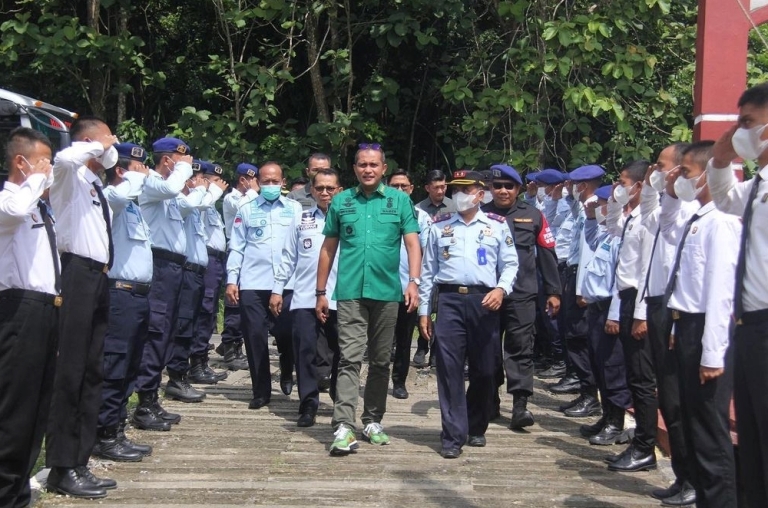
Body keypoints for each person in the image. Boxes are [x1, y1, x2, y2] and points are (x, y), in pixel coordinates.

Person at [316, 143, 420, 456]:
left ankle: (373, 419)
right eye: (362, 164)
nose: (368, 170)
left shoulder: (400, 201)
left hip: (388, 293)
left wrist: (413, 282)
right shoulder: (342, 201)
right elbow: (327, 249)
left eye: (374, 164)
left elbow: (413, 245)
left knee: (379, 359)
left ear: (384, 168)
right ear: (355, 168)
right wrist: (320, 292)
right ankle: (344, 425)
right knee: (348, 356)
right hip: (349, 292)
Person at [419, 170, 518, 457]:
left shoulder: (496, 225)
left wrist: (501, 289)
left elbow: (510, 264)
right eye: (456, 190)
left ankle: (476, 425)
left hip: (484, 302)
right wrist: (425, 311)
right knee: (448, 370)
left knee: (485, 370)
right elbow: (428, 273)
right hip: (449, 301)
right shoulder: (439, 226)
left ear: (481, 193)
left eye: (467, 189)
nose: (460, 195)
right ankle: (452, 435)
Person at [661, 141, 738, 507]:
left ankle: (720, 500)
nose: (681, 180)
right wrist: (677, 329)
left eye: (687, 174)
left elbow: (719, 291)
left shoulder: (721, 222)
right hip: (688, 326)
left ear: (708, 175)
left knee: (709, 427)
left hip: (707, 330)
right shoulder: (697, 219)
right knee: (692, 420)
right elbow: (686, 283)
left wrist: (712, 352)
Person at [46, 116, 118, 498]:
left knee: (92, 370)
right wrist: (97, 143)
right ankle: (60, 465)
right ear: (90, 142)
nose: (115, 145)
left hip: (98, 277)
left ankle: (80, 460)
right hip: (75, 274)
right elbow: (63, 159)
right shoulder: (69, 178)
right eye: (110, 138)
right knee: (70, 370)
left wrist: (102, 148)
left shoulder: (94, 185)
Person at [706, 81, 768, 508]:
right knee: (753, 437)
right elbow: (726, 197)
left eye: (748, 122)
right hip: (750, 329)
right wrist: (722, 157)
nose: (738, 130)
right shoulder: (759, 185)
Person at [0, 128, 58, 507]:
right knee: (14, 409)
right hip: (18, 309)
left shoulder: (39, 204)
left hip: (45, 309)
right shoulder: (9, 198)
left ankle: (19, 490)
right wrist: (36, 178)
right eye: (44, 162)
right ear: (21, 162)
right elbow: (14, 211)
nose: (50, 171)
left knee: (37, 409)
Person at [480, 164, 560, 430]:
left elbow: (547, 254)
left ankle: (520, 406)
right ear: (490, 189)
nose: (503, 191)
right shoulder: (480, 215)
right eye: (497, 186)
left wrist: (553, 291)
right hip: (488, 294)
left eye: (509, 186)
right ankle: (488, 400)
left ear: (518, 189)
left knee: (521, 348)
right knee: (487, 349)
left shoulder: (534, 215)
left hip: (522, 294)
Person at [639, 143, 697, 505]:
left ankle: (694, 479)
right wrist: (649, 184)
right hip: (658, 304)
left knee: (681, 402)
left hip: (678, 308)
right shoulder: (666, 209)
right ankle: (682, 475)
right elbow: (649, 212)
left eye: (663, 166)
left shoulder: (690, 211)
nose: (657, 171)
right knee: (670, 400)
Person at [92, 142, 156, 464]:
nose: (146, 173)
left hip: (137, 296)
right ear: (121, 170)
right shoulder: (111, 198)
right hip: (119, 292)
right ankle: (104, 434)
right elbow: (116, 195)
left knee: (130, 366)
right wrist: (133, 178)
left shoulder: (133, 207)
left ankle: (116, 429)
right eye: (139, 168)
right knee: (114, 367)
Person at [226, 162, 302, 409]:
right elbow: (237, 246)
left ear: (283, 182)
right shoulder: (246, 209)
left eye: (275, 181)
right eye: (265, 181)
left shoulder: (295, 208)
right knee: (255, 336)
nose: (270, 185)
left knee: (287, 332)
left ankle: (287, 366)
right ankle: (260, 390)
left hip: (288, 283)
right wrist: (231, 280)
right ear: (258, 182)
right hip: (253, 282)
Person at [271, 168, 342, 427]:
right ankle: (308, 403)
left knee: (342, 351)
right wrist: (278, 289)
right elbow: (288, 257)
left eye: (330, 188)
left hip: (340, 296)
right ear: (311, 190)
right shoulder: (300, 220)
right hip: (304, 296)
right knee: (305, 352)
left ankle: (339, 397)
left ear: (339, 190)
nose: (325, 193)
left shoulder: (349, 221)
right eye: (320, 188)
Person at [132, 137, 193, 431]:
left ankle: (152, 398)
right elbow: (171, 188)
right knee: (156, 330)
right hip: (158, 263)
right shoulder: (151, 182)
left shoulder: (168, 189)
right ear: (167, 160)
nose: (187, 166)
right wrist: (182, 171)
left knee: (168, 331)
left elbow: (187, 203)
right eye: (181, 160)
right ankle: (144, 403)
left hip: (174, 266)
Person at [604, 160, 658, 473]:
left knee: (641, 379)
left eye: (624, 183)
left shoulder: (650, 219)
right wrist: (614, 201)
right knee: (632, 374)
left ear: (639, 186)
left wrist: (640, 313)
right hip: (625, 298)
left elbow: (647, 270)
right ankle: (640, 442)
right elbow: (612, 228)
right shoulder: (632, 217)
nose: (620, 186)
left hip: (639, 301)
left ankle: (644, 446)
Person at [164, 161, 226, 395]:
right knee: (184, 323)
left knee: (198, 320)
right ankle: (178, 375)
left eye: (203, 179)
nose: (201, 183)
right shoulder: (182, 202)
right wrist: (203, 191)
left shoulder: (197, 202)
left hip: (199, 270)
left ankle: (190, 368)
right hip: (187, 270)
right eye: (197, 178)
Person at [579, 185, 632, 446]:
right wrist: (590, 217)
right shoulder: (609, 235)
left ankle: (616, 422)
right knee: (599, 365)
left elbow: (620, 282)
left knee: (613, 368)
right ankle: (606, 415)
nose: (604, 207)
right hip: (595, 309)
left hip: (610, 310)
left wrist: (615, 315)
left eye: (608, 204)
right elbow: (590, 241)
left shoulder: (624, 238)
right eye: (603, 204)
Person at [555, 165, 604, 416]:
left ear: (583, 186)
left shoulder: (593, 209)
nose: (570, 188)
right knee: (571, 332)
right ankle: (586, 390)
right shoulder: (583, 207)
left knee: (578, 336)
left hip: (581, 279)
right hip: (573, 275)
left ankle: (590, 393)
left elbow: (589, 251)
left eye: (573, 185)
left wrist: (583, 287)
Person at [387, 170, 432, 399]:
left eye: (404, 186)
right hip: (382, 286)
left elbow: (425, 253)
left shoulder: (421, 216)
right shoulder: (380, 211)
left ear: (412, 189)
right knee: (379, 339)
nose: (399, 190)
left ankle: (399, 381)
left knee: (404, 338)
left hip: (408, 286)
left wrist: (418, 284)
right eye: (394, 186)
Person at [190, 162, 230, 382]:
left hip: (215, 261)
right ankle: (196, 361)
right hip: (205, 259)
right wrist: (209, 192)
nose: (219, 186)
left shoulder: (210, 205)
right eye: (213, 181)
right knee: (203, 311)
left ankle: (201, 359)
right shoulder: (201, 202)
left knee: (210, 312)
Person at [217, 163, 259, 371]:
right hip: (235, 251)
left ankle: (235, 343)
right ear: (244, 180)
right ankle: (230, 346)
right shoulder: (232, 198)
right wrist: (253, 192)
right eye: (254, 180)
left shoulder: (247, 197)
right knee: (234, 303)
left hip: (250, 254)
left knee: (245, 301)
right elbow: (248, 207)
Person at [414, 169, 456, 366]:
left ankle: (437, 350)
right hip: (424, 264)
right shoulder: (418, 209)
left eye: (443, 186)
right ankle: (422, 346)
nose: (441, 190)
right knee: (425, 306)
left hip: (447, 264)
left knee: (442, 309)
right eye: (436, 187)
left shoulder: (454, 207)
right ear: (427, 188)